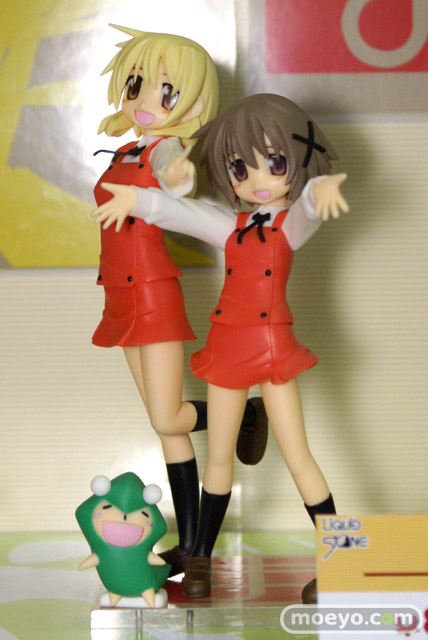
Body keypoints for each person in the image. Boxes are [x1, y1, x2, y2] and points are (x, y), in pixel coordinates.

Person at [92, 93, 349, 603]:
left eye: (274, 163)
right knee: (218, 461)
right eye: (239, 168)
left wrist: (316, 192)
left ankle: (341, 561)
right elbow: (178, 211)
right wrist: (138, 202)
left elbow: (306, 214)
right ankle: (200, 559)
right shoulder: (230, 227)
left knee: (299, 456)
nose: (257, 180)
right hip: (226, 348)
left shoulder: (285, 229)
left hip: (274, 350)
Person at [91, 28, 268, 579]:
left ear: (192, 104)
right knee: (165, 427)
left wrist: (178, 175)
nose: (146, 102)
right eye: (138, 86)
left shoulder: (162, 149)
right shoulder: (125, 149)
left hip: (151, 291)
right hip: (118, 292)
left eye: (166, 92)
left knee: (168, 414)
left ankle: (244, 414)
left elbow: (177, 175)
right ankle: (190, 546)